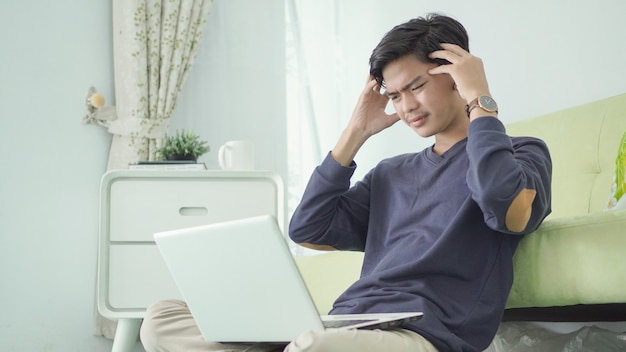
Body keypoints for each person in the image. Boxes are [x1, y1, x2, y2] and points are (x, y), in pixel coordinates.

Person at [140, 13, 552, 352]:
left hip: (423, 335)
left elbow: (506, 209)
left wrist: (480, 98)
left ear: (455, 74)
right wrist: (356, 131)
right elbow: (308, 229)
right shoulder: (391, 173)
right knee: (161, 319)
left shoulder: (521, 154)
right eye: (394, 95)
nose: (406, 106)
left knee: (313, 346)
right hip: (349, 321)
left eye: (416, 86)